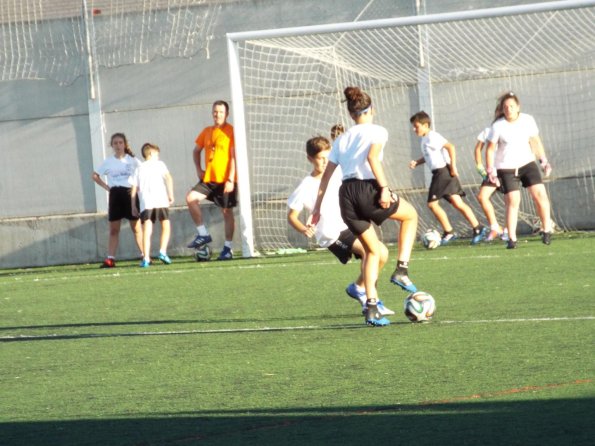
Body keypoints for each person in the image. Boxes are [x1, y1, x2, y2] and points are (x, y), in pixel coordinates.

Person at [312, 86, 419, 327]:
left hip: (346, 194)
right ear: (372, 110)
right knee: (410, 216)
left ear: (351, 115)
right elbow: (372, 159)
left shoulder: (340, 140)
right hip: (367, 189)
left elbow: (326, 177)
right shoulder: (378, 130)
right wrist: (384, 188)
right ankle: (401, 269)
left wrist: (317, 208)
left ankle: (371, 307)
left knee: (372, 250)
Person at [287, 135, 394, 317]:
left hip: (349, 224)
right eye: (320, 158)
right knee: (371, 252)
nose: (324, 161)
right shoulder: (306, 185)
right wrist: (304, 228)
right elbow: (292, 216)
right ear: (310, 159)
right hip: (332, 234)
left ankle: (359, 287)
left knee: (382, 253)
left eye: (327, 157)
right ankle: (370, 302)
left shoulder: (337, 173)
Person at [485, 91, 553, 249]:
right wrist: (491, 171)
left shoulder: (527, 120)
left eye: (511, 106)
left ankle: (547, 229)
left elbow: (535, 141)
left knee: (540, 195)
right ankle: (512, 238)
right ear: (502, 109)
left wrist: (543, 161)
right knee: (513, 200)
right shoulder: (498, 126)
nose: (509, 109)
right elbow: (489, 150)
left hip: (527, 164)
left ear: (518, 107)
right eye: (505, 107)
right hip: (506, 168)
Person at [409, 111, 488, 245]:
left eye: (416, 126)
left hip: (442, 173)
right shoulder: (425, 139)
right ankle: (478, 227)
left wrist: (453, 167)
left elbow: (450, 147)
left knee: (432, 204)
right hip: (440, 173)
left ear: (426, 125)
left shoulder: (432, 136)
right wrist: (417, 162)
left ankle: (449, 231)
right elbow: (430, 156)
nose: (414, 129)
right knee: (457, 203)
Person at [186, 100, 237, 261]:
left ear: (227, 114)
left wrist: (231, 178)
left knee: (226, 212)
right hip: (209, 179)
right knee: (190, 198)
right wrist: (198, 169)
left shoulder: (231, 131)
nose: (217, 114)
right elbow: (196, 151)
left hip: (225, 179)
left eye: (221, 112)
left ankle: (228, 249)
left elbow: (234, 157)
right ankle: (203, 234)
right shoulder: (207, 131)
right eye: (215, 111)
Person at [92, 132, 143, 268]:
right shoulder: (108, 161)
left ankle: (144, 255)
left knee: (136, 227)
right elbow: (95, 176)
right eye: (115, 143)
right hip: (115, 194)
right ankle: (110, 258)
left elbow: (143, 173)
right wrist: (108, 188)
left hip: (129, 194)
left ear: (125, 144)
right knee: (114, 229)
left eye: (120, 142)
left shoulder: (133, 160)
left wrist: (137, 188)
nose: (118, 145)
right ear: (112, 145)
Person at [131, 143, 174, 267]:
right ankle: (163, 251)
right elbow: (169, 178)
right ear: (151, 153)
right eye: (157, 154)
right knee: (165, 225)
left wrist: (133, 205)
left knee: (147, 229)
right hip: (160, 199)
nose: (158, 157)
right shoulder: (160, 164)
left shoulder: (139, 168)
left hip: (146, 202)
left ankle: (146, 257)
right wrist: (171, 194)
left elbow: (134, 188)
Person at [474, 110, 509, 242]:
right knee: (482, 197)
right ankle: (495, 227)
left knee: (509, 200)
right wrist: (479, 166)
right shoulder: (488, 131)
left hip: (506, 168)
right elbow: (478, 149)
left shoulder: (510, 131)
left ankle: (507, 230)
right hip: (492, 171)